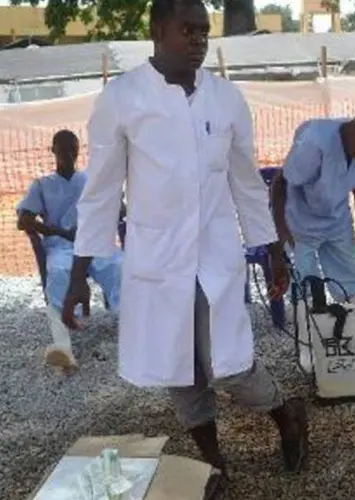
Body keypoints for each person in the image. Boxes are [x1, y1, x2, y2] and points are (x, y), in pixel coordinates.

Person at [60, 0, 309, 485]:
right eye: (187, 30)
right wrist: (78, 276)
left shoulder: (226, 99)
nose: (198, 40)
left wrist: (273, 250)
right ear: (157, 31)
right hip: (158, 260)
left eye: (203, 31)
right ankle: (213, 464)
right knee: (178, 367)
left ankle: (286, 413)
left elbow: (246, 183)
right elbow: (102, 192)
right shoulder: (123, 98)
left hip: (215, 257)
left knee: (229, 365)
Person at [16, 129, 122, 372]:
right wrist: (56, 231)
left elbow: (117, 208)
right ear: (53, 151)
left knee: (120, 267)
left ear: (78, 151)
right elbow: (24, 220)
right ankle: (62, 347)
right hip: (61, 247)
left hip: (95, 242)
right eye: (62, 149)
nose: (68, 154)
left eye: (72, 149)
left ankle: (131, 330)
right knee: (58, 274)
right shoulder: (42, 185)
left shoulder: (89, 180)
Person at [270, 107, 355, 303]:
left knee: (354, 290)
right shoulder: (314, 143)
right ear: (351, 129)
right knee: (305, 292)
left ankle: (353, 324)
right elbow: (279, 184)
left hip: (337, 221)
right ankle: (308, 319)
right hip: (299, 223)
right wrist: (279, 239)